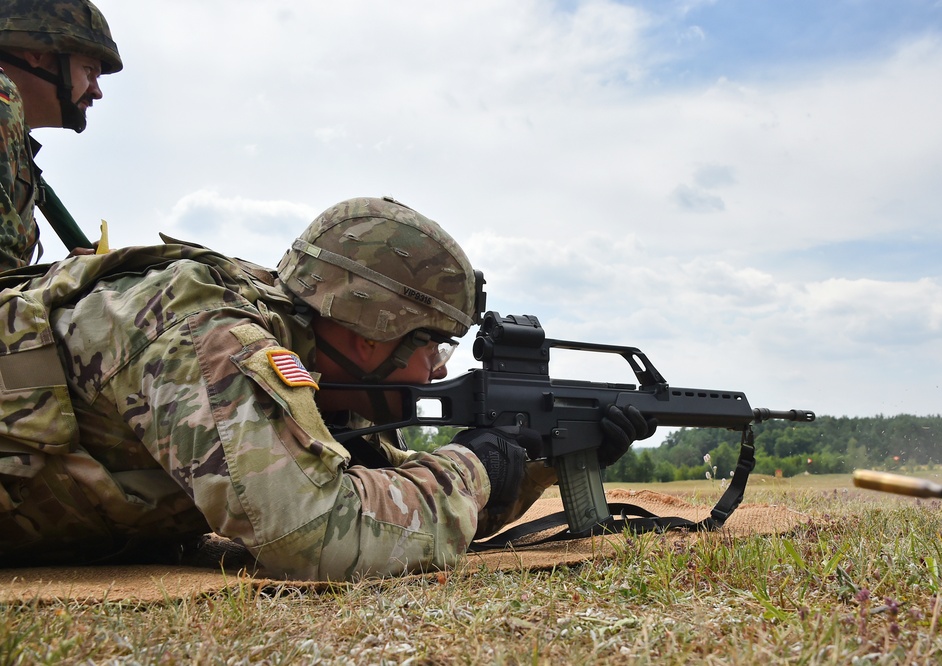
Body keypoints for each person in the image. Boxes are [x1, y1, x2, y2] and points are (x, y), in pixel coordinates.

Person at [0, 196, 655, 580]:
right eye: (430, 344)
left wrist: (539, 459)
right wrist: (471, 465)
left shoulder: (307, 359)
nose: (434, 369)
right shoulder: (207, 329)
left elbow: (394, 505)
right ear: (374, 331)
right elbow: (316, 531)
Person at [0, 0, 122, 271]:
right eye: (88, 71)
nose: (96, 91)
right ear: (36, 53)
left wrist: (63, 275)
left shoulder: (14, 129)